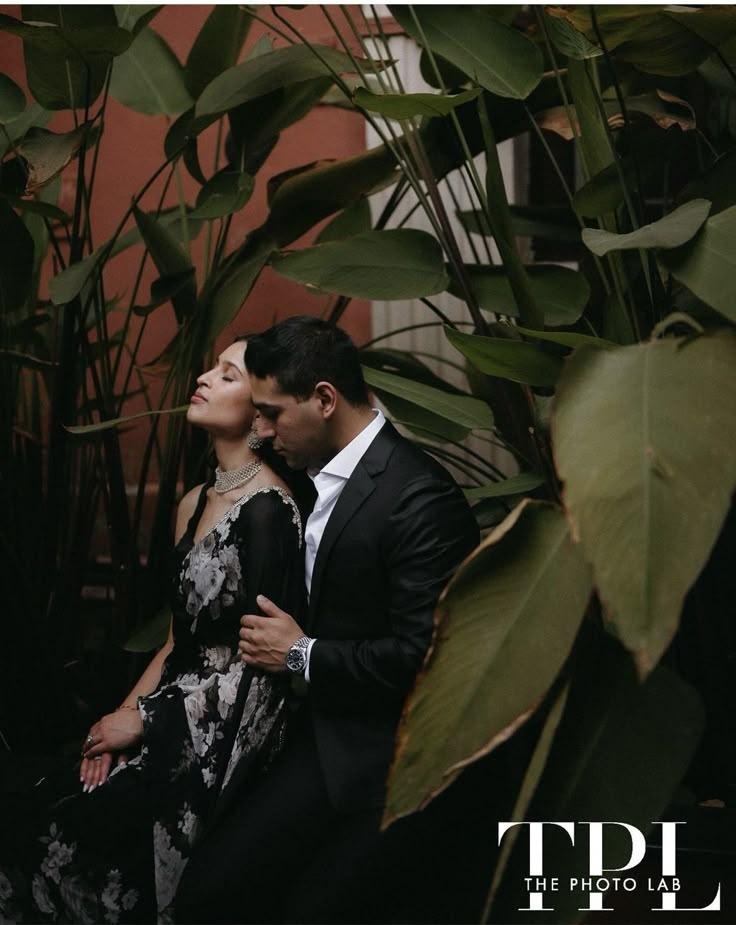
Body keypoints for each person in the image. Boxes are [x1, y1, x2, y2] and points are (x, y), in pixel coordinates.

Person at [175, 316, 482, 924]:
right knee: (207, 893)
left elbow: (427, 659)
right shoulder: (302, 474)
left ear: (323, 399)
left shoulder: (419, 498)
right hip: (311, 744)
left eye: (271, 413)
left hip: (391, 765)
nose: (259, 430)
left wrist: (300, 653)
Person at [0, 339, 304, 924]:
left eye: (228, 374)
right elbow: (174, 641)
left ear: (262, 413)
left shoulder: (271, 512)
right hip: (162, 708)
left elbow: (259, 668)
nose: (205, 377)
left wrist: (146, 722)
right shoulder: (194, 501)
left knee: (76, 830)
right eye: (210, 365)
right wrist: (113, 723)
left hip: (216, 734)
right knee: (45, 796)